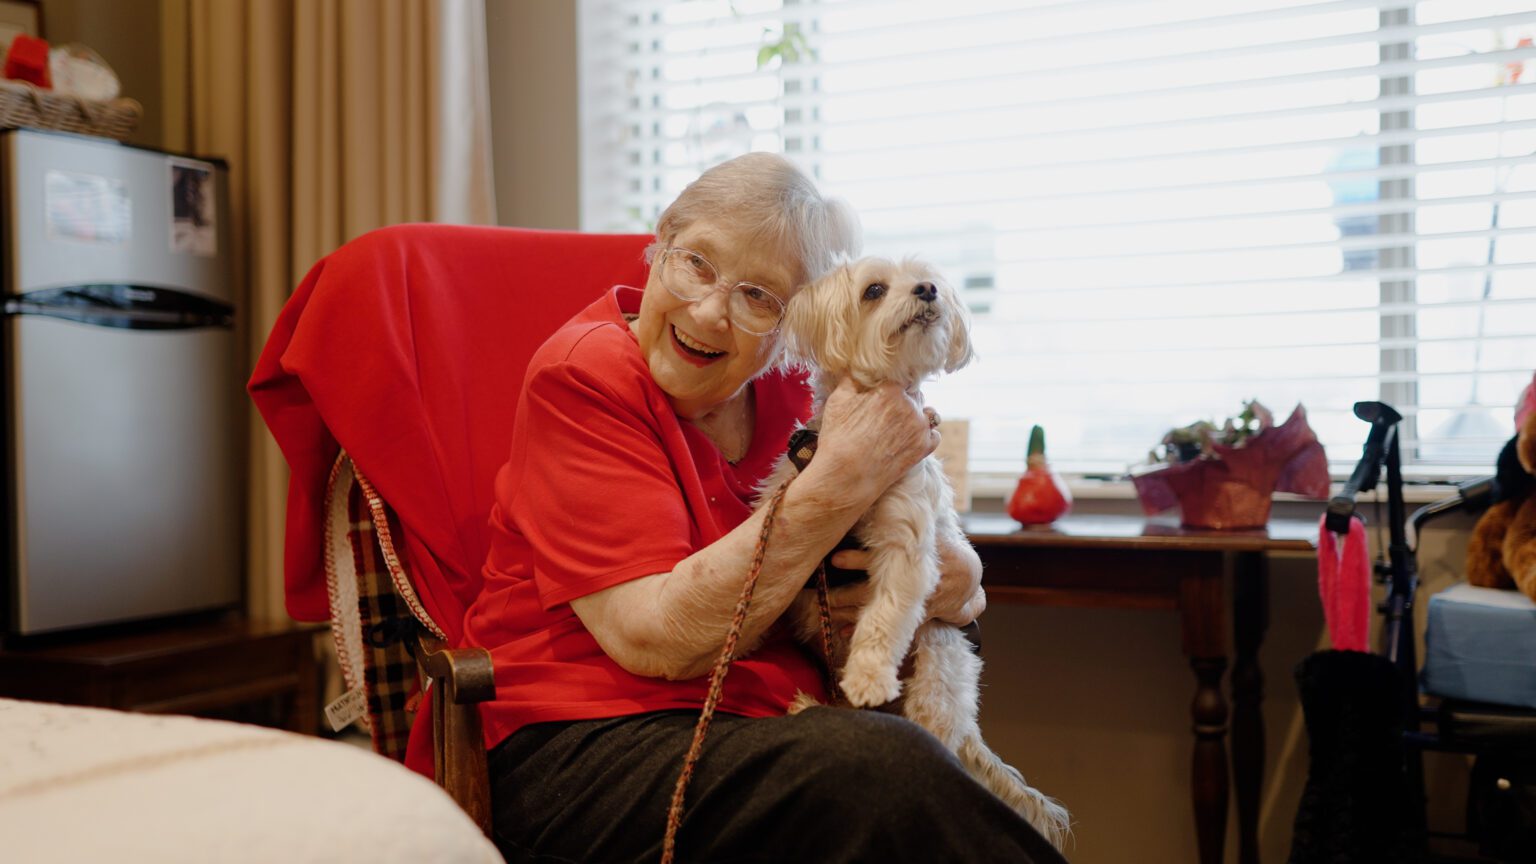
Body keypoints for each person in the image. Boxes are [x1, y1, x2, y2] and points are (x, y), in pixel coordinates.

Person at [464, 152, 1067, 863]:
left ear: (797, 320)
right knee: (878, 771)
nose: (712, 311)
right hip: (587, 736)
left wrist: (957, 583)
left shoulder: (798, 394)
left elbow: (949, 571)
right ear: (660, 244)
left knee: (896, 739)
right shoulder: (583, 379)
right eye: (696, 264)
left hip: (763, 721)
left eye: (758, 296)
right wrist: (837, 482)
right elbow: (654, 641)